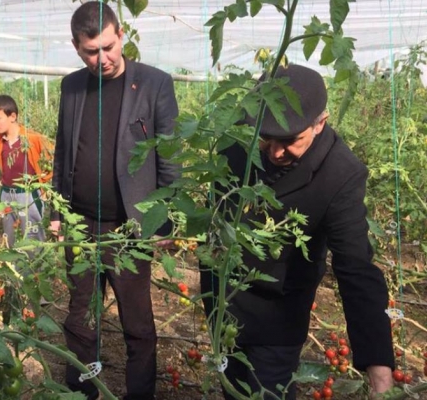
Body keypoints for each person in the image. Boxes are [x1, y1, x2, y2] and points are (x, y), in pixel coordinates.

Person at [200, 64, 394, 399]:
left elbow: (356, 268)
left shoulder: (340, 174)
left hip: (277, 317)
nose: (275, 152)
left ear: (320, 123)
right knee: (231, 389)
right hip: (223, 305)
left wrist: (379, 366)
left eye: (289, 140)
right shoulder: (238, 138)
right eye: (266, 138)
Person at [49, 2, 179, 399]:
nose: (102, 58)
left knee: (137, 324)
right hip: (80, 224)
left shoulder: (154, 84)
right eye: (91, 51)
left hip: (129, 228)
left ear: (120, 36)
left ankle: (139, 394)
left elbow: (169, 158)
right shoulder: (72, 87)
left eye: (108, 46)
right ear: (77, 47)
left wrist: (164, 221)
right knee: (81, 319)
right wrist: (57, 211)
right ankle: (82, 391)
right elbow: (63, 151)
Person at [0, 95, 52, 250]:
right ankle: (13, 266)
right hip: (6, 194)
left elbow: (53, 160)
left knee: (33, 240)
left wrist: (42, 182)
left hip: (28, 195)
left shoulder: (33, 138)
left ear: (12, 116)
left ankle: (37, 265)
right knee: (10, 238)